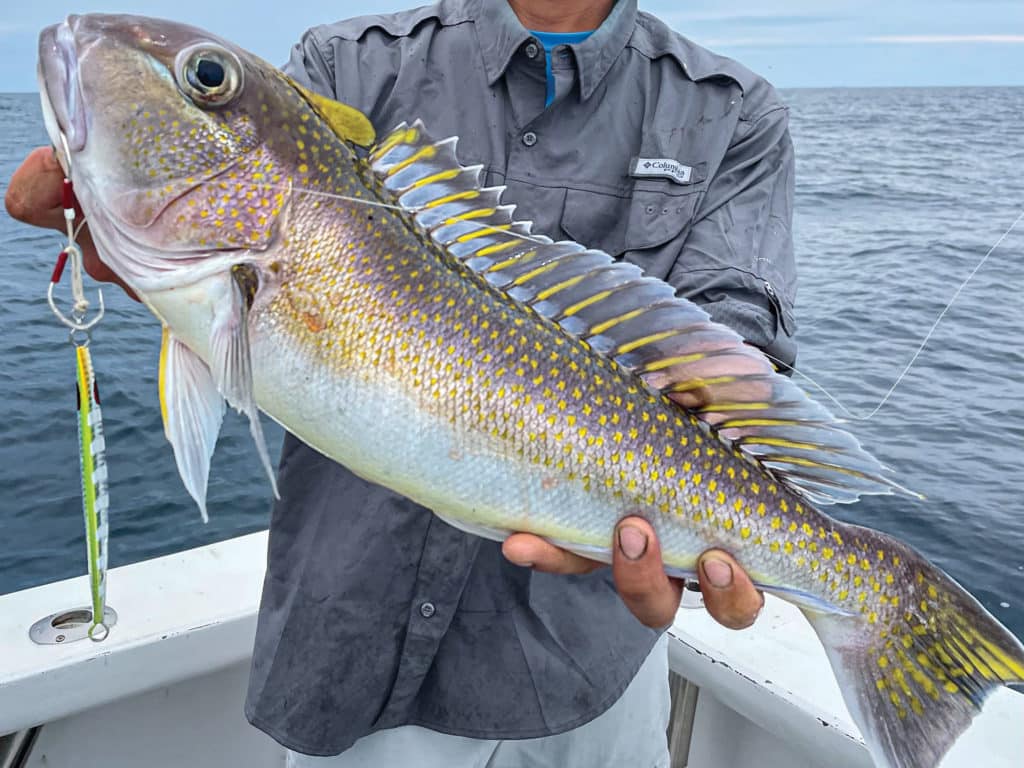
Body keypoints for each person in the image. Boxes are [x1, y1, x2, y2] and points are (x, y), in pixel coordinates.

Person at [6, 1, 795, 765]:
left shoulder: (734, 111)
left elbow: (733, 339)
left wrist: (733, 404)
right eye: (207, 81)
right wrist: (133, 245)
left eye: (205, 78)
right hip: (353, 649)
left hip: (595, 661)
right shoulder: (345, 64)